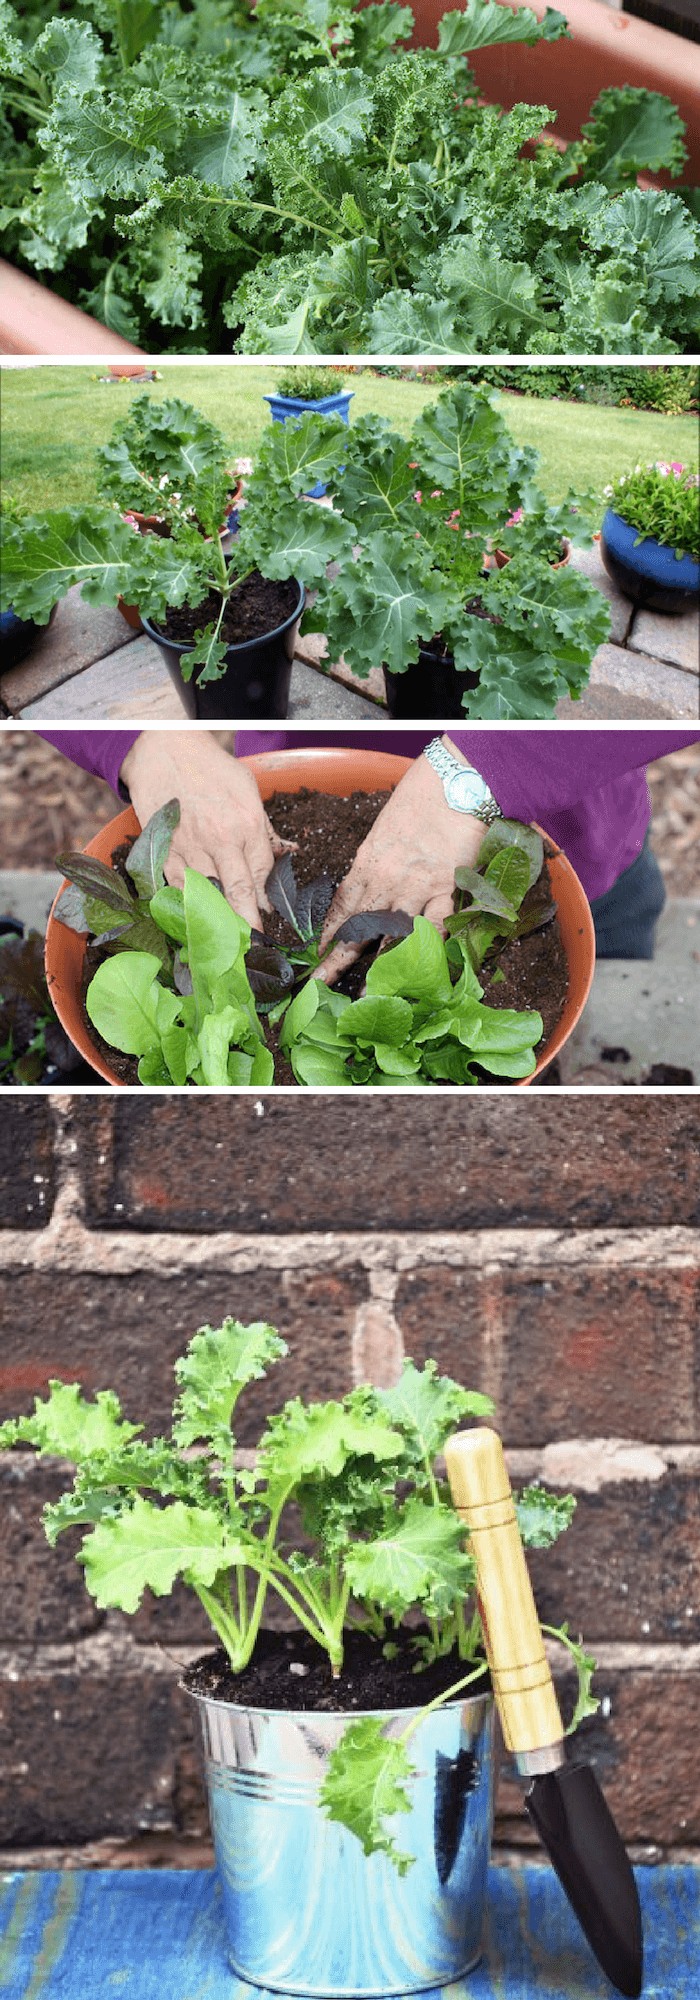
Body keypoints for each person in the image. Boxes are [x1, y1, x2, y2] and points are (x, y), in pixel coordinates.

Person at [38, 728, 699, 975]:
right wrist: (141, 737)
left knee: (597, 964)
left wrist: (482, 771)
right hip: (293, 777)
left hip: (578, 844)